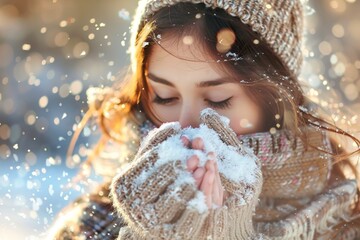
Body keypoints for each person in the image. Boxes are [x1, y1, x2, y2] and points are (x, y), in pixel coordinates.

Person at [49, 0, 360, 239]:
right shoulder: (93, 225)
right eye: (164, 97)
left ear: (274, 102)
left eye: (217, 100)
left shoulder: (343, 224)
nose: (186, 126)